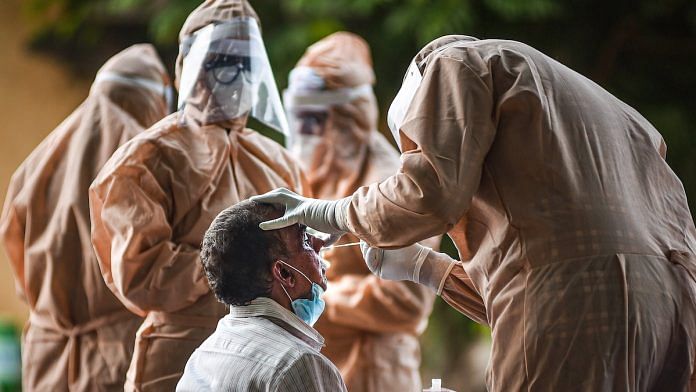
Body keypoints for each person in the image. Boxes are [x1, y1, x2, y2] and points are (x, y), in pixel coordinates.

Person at [253, 36, 696, 391]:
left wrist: (327, 214)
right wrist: (429, 267)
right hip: (675, 310)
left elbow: (428, 194)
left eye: (416, 147)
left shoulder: (454, 64)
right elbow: (535, 285)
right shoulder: (620, 120)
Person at [88, 1, 307, 390]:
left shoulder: (277, 159)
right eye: (223, 60)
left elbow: (302, 252)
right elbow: (140, 272)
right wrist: (243, 269)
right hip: (180, 358)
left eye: (247, 62)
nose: (238, 75)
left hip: (271, 354)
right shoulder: (149, 158)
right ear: (190, 65)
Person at [0, 44, 171, 391]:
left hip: (48, 357)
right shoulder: (149, 161)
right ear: (153, 100)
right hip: (122, 356)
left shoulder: (37, 162)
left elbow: (16, 258)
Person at [284, 31, 437, 391]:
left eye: (314, 120)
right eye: (299, 119)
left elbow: (408, 299)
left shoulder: (392, 183)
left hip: (375, 372)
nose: (304, 134)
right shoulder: (310, 171)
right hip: (318, 365)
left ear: (347, 117)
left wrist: (312, 297)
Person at [177, 201, 346, 391]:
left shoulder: (203, 355)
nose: (320, 243)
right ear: (284, 273)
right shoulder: (297, 365)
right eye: (305, 241)